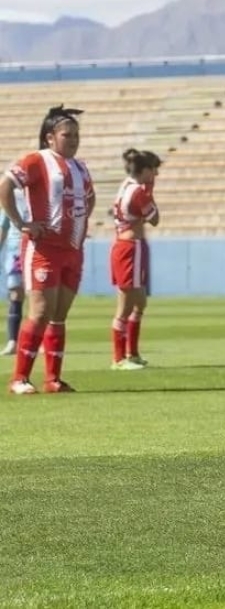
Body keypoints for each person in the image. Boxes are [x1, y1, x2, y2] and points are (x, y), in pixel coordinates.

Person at [1, 105, 95, 395]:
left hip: (72, 251)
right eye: (68, 134)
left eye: (76, 134)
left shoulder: (80, 167)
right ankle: (19, 379)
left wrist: (79, 224)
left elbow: (89, 199)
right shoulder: (36, 160)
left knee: (58, 315)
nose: (74, 139)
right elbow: (5, 186)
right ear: (50, 137)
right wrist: (22, 222)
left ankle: (53, 379)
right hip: (44, 249)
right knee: (40, 312)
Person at [109, 149, 161, 370]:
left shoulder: (126, 186)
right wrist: (149, 191)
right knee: (126, 305)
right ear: (146, 170)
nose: (156, 174)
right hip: (130, 247)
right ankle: (119, 358)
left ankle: (132, 352)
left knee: (140, 303)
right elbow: (155, 218)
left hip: (126, 245)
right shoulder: (138, 192)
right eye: (154, 170)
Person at [0, 188, 28, 355]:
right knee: (16, 294)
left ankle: (37, 341)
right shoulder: (10, 199)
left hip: (36, 250)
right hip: (15, 252)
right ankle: (13, 342)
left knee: (38, 296)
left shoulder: (39, 195)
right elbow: (3, 226)